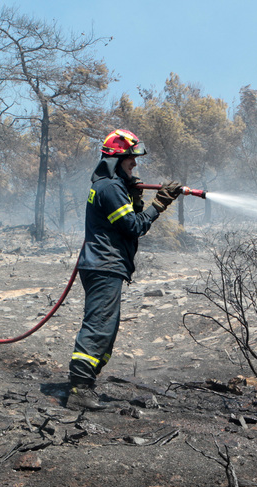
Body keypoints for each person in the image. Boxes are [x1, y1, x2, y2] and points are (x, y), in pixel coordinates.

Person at [67, 129, 183, 410]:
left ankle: (85, 384)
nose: (135, 163)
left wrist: (136, 197)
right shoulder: (109, 188)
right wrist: (159, 205)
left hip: (105, 265)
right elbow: (133, 227)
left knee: (106, 328)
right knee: (98, 326)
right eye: (131, 158)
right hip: (103, 265)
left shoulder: (113, 187)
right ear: (116, 159)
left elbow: (126, 219)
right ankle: (79, 390)